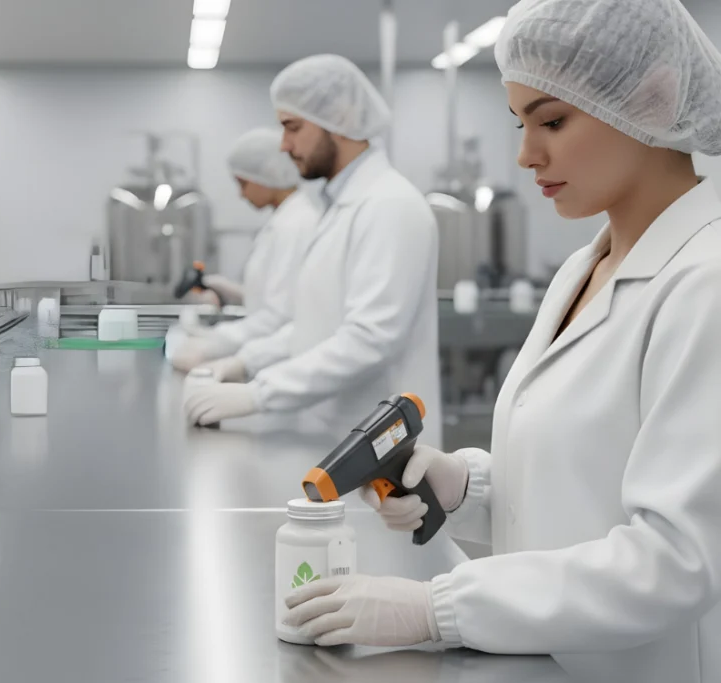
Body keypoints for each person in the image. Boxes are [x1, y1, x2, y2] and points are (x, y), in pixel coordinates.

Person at [282, 2, 721, 682]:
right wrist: (469, 487)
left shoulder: (706, 281)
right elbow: (582, 486)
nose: (525, 155)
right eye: (520, 123)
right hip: (546, 661)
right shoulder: (583, 268)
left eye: (553, 121)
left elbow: (677, 560)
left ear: (655, 99)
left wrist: (438, 608)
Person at [184, 54, 444, 448]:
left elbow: (370, 339)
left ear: (339, 119)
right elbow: (315, 325)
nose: (284, 145)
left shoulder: (390, 205)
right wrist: (244, 362)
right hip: (333, 431)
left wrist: (258, 393)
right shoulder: (339, 208)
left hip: (381, 446)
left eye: (292, 127)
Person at [171, 128, 320, 372]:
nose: (241, 195)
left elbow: (278, 319)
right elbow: (280, 297)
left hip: (279, 363)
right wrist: (236, 293)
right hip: (270, 357)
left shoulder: (296, 225)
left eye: (243, 183)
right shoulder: (283, 222)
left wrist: (211, 344)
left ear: (269, 174)